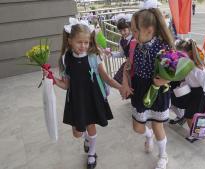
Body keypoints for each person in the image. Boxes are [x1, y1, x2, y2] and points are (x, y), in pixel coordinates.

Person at [43, 19, 123, 169]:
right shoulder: (66, 58)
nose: (83, 46)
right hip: (76, 100)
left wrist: (121, 87)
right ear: (70, 41)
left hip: (92, 98)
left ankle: (92, 153)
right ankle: (86, 138)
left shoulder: (94, 56)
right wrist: (52, 78)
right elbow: (66, 84)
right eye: (79, 42)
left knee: (90, 125)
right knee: (77, 133)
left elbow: (106, 77)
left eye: (86, 42)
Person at [121, 2, 174, 168]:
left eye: (135, 30)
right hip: (139, 88)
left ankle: (163, 155)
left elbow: (175, 72)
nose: (132, 33)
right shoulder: (135, 45)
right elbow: (130, 64)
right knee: (137, 127)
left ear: (149, 30)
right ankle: (148, 135)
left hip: (157, 90)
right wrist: (127, 74)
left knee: (158, 125)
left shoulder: (164, 47)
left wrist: (165, 80)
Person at [175, 39, 205, 143]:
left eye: (180, 54)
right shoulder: (187, 65)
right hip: (192, 92)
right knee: (191, 116)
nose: (178, 56)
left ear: (189, 53)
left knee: (192, 117)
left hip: (200, 94)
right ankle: (196, 133)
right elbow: (188, 79)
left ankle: (197, 134)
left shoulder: (198, 69)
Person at [105, 14, 134, 84]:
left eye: (124, 30)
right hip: (128, 65)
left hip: (136, 65)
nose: (122, 33)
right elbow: (121, 54)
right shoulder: (121, 41)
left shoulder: (135, 38)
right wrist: (111, 54)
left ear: (129, 28)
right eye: (120, 31)